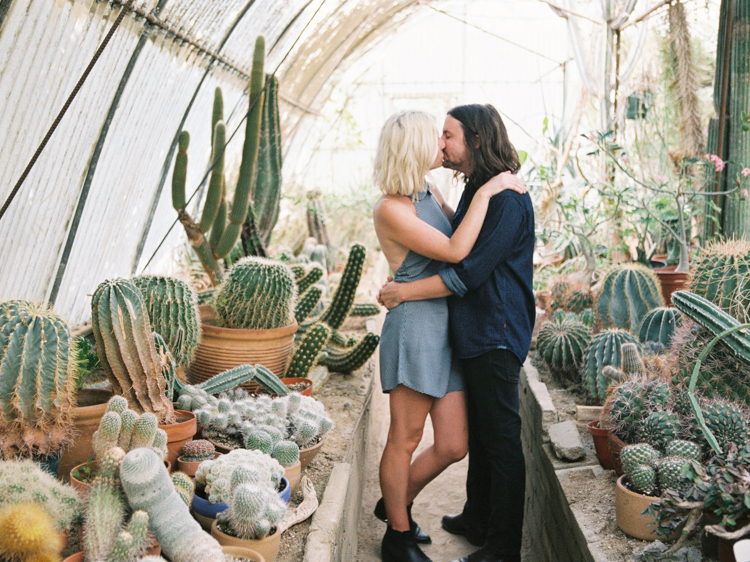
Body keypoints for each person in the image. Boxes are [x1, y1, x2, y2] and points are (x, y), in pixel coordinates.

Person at [378, 104, 535, 562]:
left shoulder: (472, 195)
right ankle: (401, 530)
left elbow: (462, 263)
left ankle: (402, 506)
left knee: (471, 442)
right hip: (433, 329)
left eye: (448, 136)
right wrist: (402, 292)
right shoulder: (418, 200)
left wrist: (403, 291)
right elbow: (450, 249)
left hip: (477, 330)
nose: (441, 144)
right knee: (414, 438)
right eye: (436, 136)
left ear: (476, 142)